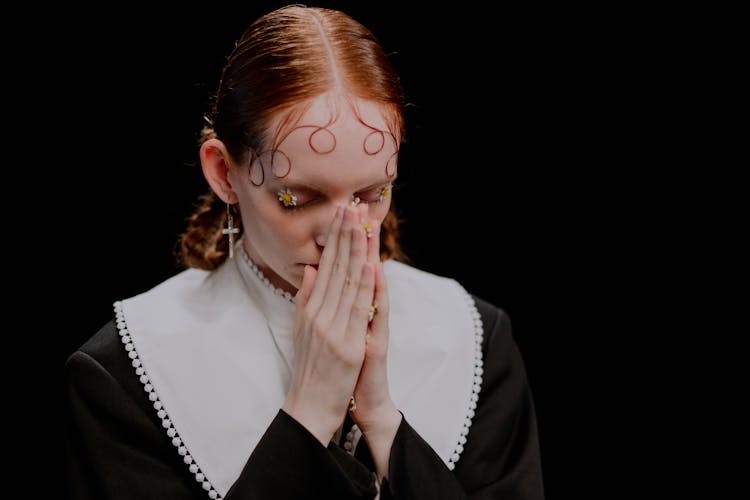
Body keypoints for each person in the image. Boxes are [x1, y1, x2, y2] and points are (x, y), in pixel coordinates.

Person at [64, 4, 544, 499]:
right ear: (224, 173)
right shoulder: (126, 370)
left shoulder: (475, 338)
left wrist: (380, 416)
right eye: (296, 197)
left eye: (372, 193)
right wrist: (310, 410)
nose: (341, 232)